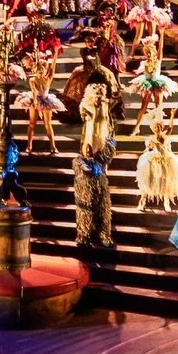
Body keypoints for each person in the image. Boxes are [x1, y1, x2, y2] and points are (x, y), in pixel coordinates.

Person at [73, 72, 117, 250]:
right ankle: (84, 233)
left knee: (102, 205)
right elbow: (86, 118)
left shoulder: (106, 106)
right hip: (92, 136)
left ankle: (103, 233)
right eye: (96, 91)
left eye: (101, 91)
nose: (99, 94)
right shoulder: (86, 105)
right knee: (85, 205)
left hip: (101, 139)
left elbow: (108, 122)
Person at [16, 45, 63, 154]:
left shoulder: (48, 79)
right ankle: (29, 145)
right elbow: (33, 91)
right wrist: (35, 102)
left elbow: (53, 66)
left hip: (46, 100)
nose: (41, 73)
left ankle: (53, 146)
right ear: (35, 71)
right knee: (32, 123)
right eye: (39, 71)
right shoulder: (32, 80)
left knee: (48, 124)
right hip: (35, 100)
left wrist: (56, 53)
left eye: (43, 70)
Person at [135, 113, 178, 212]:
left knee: (167, 180)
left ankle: (166, 201)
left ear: (162, 127)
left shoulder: (165, 136)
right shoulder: (151, 139)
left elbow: (171, 128)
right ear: (153, 128)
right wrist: (152, 145)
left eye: (159, 127)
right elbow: (149, 147)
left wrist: (172, 115)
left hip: (166, 160)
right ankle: (142, 201)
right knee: (148, 180)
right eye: (155, 127)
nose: (157, 128)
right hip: (155, 160)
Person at [126, 37, 178, 129]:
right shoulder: (144, 63)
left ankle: (160, 128)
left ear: (154, 52)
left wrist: (162, 34)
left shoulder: (158, 61)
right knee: (143, 107)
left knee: (158, 106)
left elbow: (160, 48)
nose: (149, 55)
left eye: (150, 53)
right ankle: (136, 127)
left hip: (158, 84)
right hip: (147, 84)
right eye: (147, 53)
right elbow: (139, 71)